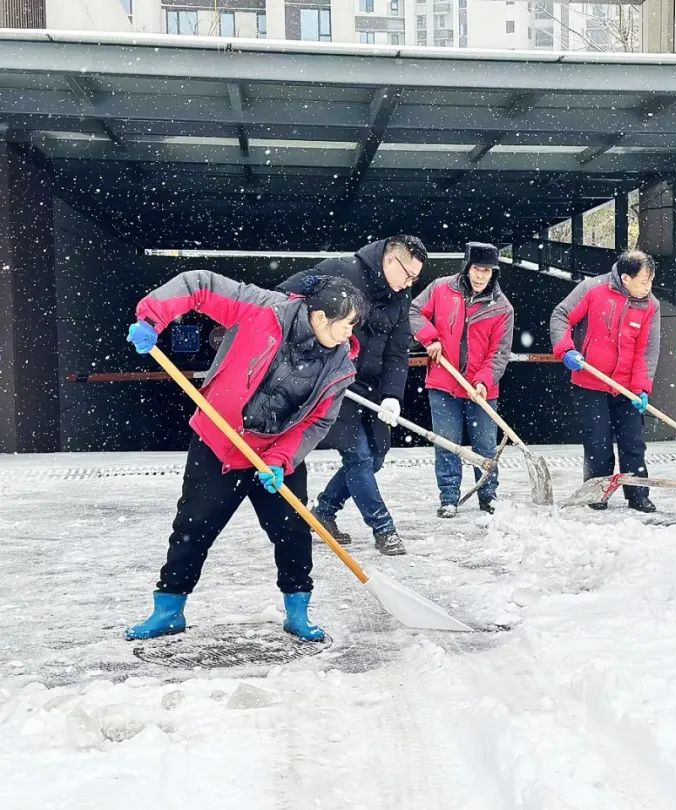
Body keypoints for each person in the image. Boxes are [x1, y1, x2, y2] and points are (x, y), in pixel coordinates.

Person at [124, 271, 364, 642]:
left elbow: (316, 422)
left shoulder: (340, 367)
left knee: (292, 532)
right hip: (221, 443)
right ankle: (168, 611)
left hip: (275, 454)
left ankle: (297, 612)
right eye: (346, 325)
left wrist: (282, 459)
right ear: (319, 317)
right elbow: (199, 285)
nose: (350, 334)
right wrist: (152, 319)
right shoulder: (264, 311)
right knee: (193, 527)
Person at [278, 235, 427, 556]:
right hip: (333, 380)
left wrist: (393, 395)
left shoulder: (401, 295)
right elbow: (284, 295)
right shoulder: (339, 270)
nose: (409, 283)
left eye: (416, 278)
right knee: (357, 455)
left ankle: (326, 510)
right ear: (390, 261)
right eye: (408, 275)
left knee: (375, 457)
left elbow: (398, 351)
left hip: (371, 387)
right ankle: (383, 528)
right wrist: (309, 348)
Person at [550, 250, 661, 513]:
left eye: (651, 280)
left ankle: (638, 494)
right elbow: (561, 315)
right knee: (598, 443)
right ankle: (597, 492)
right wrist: (565, 349)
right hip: (590, 382)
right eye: (643, 281)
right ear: (625, 278)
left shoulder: (650, 305)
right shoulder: (592, 289)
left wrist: (642, 388)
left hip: (627, 387)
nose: (648, 287)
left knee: (633, 443)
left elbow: (647, 350)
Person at [409, 242, 514, 517]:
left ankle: (488, 496)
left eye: (487, 271)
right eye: (477, 269)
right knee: (447, 443)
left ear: (494, 274)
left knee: (485, 446)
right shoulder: (441, 289)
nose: (481, 276)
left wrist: (483, 380)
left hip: (482, 390)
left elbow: (499, 353)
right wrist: (429, 339)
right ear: (467, 268)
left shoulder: (502, 308)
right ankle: (448, 498)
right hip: (444, 382)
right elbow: (414, 312)